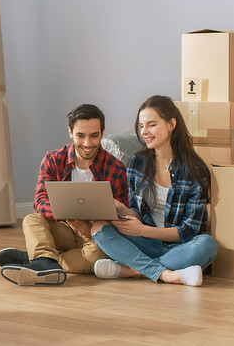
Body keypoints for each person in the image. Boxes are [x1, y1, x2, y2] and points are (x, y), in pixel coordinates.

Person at [90, 95, 217, 286]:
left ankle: (132, 270)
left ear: (171, 124)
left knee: (207, 245)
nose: (144, 132)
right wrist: (121, 209)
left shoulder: (194, 170)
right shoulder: (137, 163)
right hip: (146, 243)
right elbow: (137, 212)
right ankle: (167, 274)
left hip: (179, 246)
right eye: (141, 126)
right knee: (99, 228)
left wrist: (144, 230)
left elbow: (189, 230)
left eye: (151, 125)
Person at [0, 104, 128, 286]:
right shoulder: (53, 160)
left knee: (97, 258)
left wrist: (90, 229)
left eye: (94, 136)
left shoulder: (117, 169)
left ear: (102, 133)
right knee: (32, 220)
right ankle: (43, 258)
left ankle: (40, 258)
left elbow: (120, 216)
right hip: (63, 226)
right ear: (70, 132)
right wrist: (68, 215)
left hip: (94, 237)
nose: (87, 143)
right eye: (81, 135)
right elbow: (40, 202)